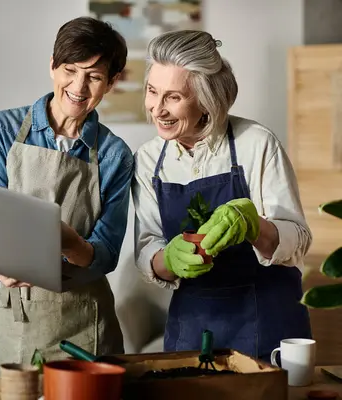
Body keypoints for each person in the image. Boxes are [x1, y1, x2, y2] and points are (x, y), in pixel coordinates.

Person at [132, 30, 313, 362]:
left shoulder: (255, 143)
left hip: (268, 320)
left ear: (206, 98)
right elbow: (147, 248)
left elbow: (300, 239)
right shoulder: (148, 161)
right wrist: (169, 258)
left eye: (173, 97)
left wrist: (254, 225)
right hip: (192, 327)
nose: (157, 109)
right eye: (152, 91)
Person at [0, 16, 133, 373]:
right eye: (70, 70)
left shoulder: (115, 155)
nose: (78, 86)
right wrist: (1, 265)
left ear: (112, 82)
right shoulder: (0, 130)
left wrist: (69, 243)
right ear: (52, 66)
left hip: (78, 322)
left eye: (94, 76)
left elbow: (106, 254)